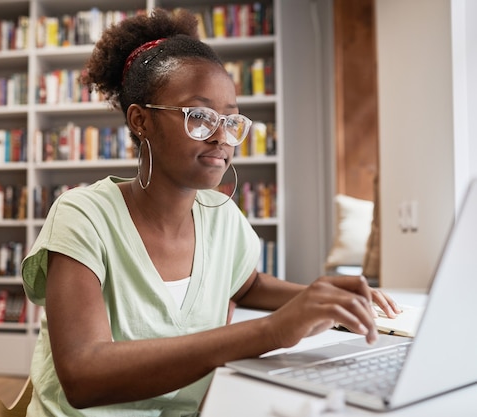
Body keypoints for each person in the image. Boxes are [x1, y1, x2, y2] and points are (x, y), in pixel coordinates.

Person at [21, 8, 401, 417]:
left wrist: (320, 299)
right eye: (199, 117)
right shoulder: (82, 216)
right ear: (140, 120)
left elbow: (246, 284)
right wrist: (271, 331)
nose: (221, 136)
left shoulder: (221, 215)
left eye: (230, 119)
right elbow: (83, 376)